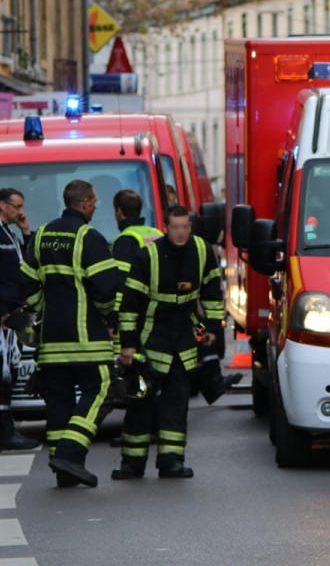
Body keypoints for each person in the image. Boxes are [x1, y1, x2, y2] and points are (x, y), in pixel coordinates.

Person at [113, 204, 225, 480]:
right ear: (165, 228)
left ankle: (171, 462)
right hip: (149, 341)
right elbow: (129, 305)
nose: (180, 233)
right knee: (140, 402)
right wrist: (127, 345)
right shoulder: (147, 256)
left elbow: (212, 290)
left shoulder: (201, 250)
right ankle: (132, 464)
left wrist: (212, 327)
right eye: (175, 227)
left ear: (190, 227)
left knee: (177, 404)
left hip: (183, 340)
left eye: (185, 227)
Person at [20, 180, 119, 487]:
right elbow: (104, 291)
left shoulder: (41, 236)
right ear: (86, 203)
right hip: (86, 338)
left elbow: (25, 285)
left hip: (51, 340)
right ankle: (70, 453)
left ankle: (65, 472)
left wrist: (45, 307)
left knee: (59, 401)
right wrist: (108, 315)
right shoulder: (90, 237)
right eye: (95, 202)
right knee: (103, 389)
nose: (95, 207)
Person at [0, 188, 39, 452]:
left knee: (9, 369)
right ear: (2, 205)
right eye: (16, 206)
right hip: (5, 315)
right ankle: (2, 433)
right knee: (2, 371)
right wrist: (3, 313)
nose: (20, 211)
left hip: (14, 312)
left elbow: (27, 264)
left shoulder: (8, 234)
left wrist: (26, 231)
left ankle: (5, 429)